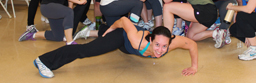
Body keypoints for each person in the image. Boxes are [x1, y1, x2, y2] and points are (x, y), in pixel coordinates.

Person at [33, 17, 198, 78]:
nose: (160, 49)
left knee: (104, 36)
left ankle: (96, 30)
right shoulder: (137, 41)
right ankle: (44, 61)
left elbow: (192, 44)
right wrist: (113, 28)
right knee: (86, 51)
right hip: (122, 38)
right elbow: (125, 21)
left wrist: (194, 66)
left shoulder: (174, 41)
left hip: (127, 49)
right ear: (150, 39)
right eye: (157, 45)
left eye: (164, 46)